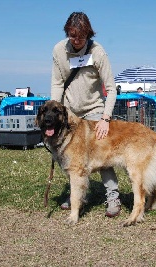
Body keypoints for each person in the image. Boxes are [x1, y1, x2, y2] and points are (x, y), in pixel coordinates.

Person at [50, 12, 121, 216]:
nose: (77, 41)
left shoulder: (98, 52)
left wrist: (105, 119)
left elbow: (111, 88)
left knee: (103, 155)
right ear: (68, 34)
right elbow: (57, 82)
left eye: (81, 36)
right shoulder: (59, 50)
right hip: (69, 111)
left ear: (88, 34)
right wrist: (56, 111)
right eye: (73, 36)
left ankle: (113, 196)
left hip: (94, 110)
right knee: (69, 156)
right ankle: (77, 195)